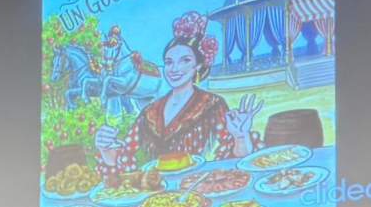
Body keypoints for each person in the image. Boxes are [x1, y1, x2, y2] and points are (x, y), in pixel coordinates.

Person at [93, 11, 263, 181]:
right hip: (158, 193)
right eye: (169, 62)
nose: (174, 69)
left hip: (199, 188)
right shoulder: (150, 112)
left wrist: (241, 136)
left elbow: (234, 163)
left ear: (198, 66)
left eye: (185, 60)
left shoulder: (212, 104)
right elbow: (126, 158)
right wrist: (106, 149)